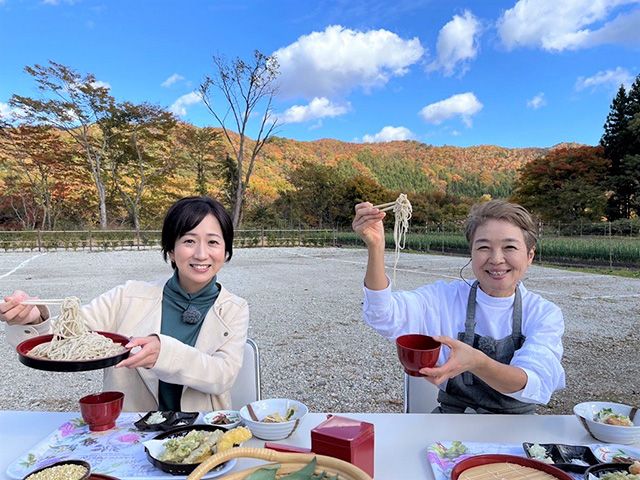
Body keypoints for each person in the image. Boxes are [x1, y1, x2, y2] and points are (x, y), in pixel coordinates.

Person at [1, 196, 249, 412]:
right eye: (189, 241)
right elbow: (65, 338)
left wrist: (165, 353)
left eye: (213, 242)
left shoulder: (234, 309)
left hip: (202, 432)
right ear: (171, 250)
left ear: (226, 251)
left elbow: (221, 376)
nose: (201, 254)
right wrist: (33, 320)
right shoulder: (127, 297)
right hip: (129, 432)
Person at [352, 199, 565, 414]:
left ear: (529, 255)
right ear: (471, 253)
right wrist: (376, 247)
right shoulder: (444, 298)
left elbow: (534, 382)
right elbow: (382, 314)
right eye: (483, 247)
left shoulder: (543, 314)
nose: (496, 259)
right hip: (452, 420)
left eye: (509, 247)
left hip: (517, 428)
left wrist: (477, 362)